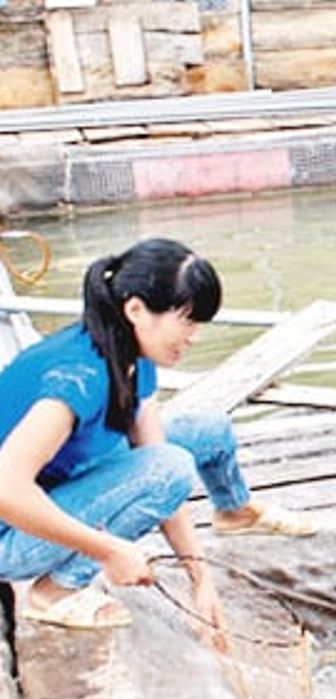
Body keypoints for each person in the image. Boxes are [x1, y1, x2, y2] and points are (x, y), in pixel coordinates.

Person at [0, 238, 315, 631]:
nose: (194, 336)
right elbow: (7, 490)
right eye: (186, 320)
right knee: (171, 466)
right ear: (135, 309)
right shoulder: (75, 378)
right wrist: (108, 549)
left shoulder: (131, 354)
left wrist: (200, 578)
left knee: (206, 431)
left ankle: (234, 512)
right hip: (8, 535)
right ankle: (56, 591)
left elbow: (159, 462)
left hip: (57, 485)